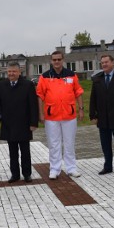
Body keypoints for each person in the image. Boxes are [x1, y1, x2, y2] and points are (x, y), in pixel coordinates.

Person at [36, 51, 84, 180]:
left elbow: (78, 92)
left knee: (69, 143)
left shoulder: (71, 75)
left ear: (63, 60)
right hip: (51, 116)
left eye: (59, 59)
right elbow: (40, 95)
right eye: (54, 60)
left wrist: (81, 109)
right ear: (51, 61)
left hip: (69, 115)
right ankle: (54, 169)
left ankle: (71, 168)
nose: (56, 62)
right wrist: (40, 113)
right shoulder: (45, 76)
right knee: (54, 144)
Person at [0, 62, 38, 183]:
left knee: (25, 151)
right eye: (9, 71)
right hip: (9, 123)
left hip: (24, 124)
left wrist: (33, 122)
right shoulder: (2, 85)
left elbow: (33, 105)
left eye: (14, 71)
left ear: (19, 72)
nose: (11, 74)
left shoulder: (28, 85)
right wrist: (0, 116)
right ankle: (15, 174)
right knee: (12, 151)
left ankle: (27, 174)